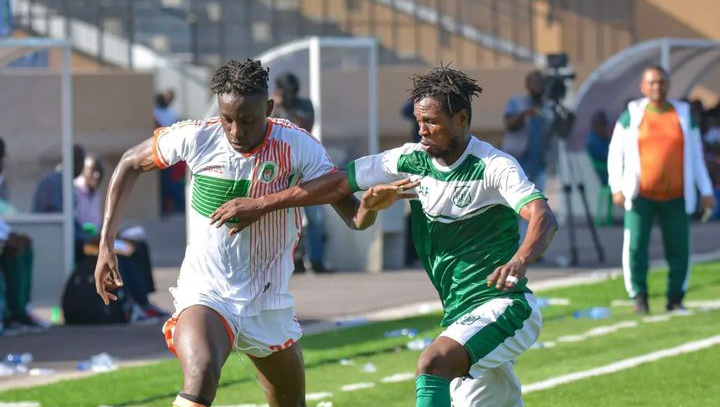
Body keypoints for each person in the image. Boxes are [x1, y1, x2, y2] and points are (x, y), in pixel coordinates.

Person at [211, 65, 559, 407]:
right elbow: (337, 184)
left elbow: (542, 216)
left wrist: (520, 259)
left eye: (431, 122)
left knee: (432, 365)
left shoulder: (494, 166)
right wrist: (263, 204)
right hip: (460, 315)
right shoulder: (410, 160)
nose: (422, 131)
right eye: (418, 121)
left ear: (462, 119)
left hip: (505, 306)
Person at [93, 59, 380, 407]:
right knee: (201, 372)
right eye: (227, 118)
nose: (235, 131)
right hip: (207, 291)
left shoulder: (297, 145)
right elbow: (129, 162)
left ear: (268, 108)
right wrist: (106, 244)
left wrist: (371, 207)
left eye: (247, 120)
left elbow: (354, 216)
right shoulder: (197, 136)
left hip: (267, 301)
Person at [608, 65, 716, 314]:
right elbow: (616, 152)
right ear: (643, 86)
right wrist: (616, 186)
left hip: (675, 196)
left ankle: (675, 298)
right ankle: (639, 297)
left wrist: (706, 190)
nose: (657, 87)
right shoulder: (632, 115)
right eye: (652, 82)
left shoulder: (683, 114)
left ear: (668, 85)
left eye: (661, 82)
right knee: (635, 247)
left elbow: (696, 156)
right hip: (641, 195)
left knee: (679, 249)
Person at [271, 72, 330, 273]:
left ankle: (316, 261)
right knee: (283, 218)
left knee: (315, 218)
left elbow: (306, 126)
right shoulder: (272, 106)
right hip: (282, 169)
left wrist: (287, 107)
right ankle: (292, 260)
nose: (287, 95)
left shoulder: (304, 105)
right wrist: (275, 106)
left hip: (306, 168)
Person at [502, 70, 552, 192]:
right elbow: (509, 125)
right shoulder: (516, 102)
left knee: (537, 200)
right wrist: (524, 114)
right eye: (535, 83)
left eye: (541, 83)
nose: (539, 86)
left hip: (539, 166)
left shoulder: (548, 106)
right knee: (516, 198)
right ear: (527, 85)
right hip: (517, 163)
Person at [32, 144, 86, 213]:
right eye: (80, 162)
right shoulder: (55, 183)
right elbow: (58, 214)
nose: (82, 167)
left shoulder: (66, 183)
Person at [586, 110, 610, 185]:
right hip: (603, 179)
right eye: (603, 124)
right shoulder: (593, 141)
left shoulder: (600, 138)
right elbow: (608, 157)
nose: (605, 127)